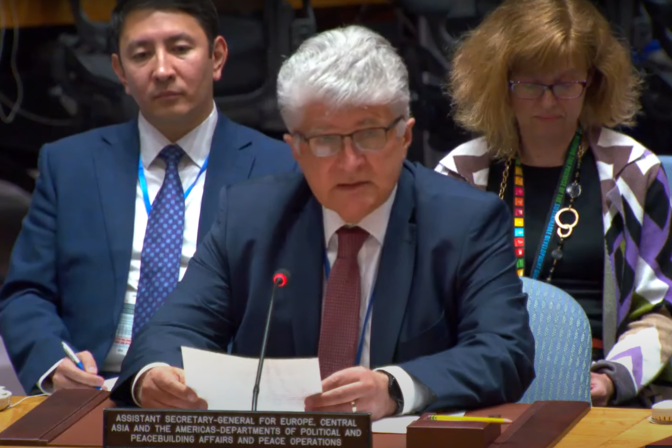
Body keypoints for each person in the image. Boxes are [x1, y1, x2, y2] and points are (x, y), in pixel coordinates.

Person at [110, 25, 535, 419]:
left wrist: (394, 388)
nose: (350, 163)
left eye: (369, 135)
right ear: (295, 148)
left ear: (405, 136)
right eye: (326, 140)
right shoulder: (250, 217)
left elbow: (504, 351)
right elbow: (172, 330)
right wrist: (154, 375)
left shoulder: (465, 221)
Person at [0, 0, 296, 395]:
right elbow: (27, 292)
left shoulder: (280, 167)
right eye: (141, 55)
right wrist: (53, 362)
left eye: (180, 49)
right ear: (120, 71)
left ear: (217, 57)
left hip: (214, 395)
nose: (162, 70)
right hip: (97, 389)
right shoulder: (70, 164)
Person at [435, 0, 672, 408]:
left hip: (600, 391)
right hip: (484, 389)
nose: (548, 103)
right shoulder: (459, 175)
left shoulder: (634, 172)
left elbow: (661, 312)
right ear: (500, 83)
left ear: (592, 81)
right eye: (530, 85)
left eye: (565, 85)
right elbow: (432, 309)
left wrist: (611, 378)